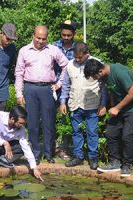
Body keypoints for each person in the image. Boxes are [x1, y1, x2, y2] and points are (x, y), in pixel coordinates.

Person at [14, 25, 69, 164]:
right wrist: (19, 94)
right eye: (38, 38)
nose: (40, 41)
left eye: (43, 39)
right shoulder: (24, 51)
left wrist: (59, 84)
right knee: (32, 124)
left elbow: (66, 65)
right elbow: (19, 73)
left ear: (47, 38)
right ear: (33, 35)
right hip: (30, 88)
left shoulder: (53, 50)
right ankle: (35, 155)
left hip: (47, 89)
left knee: (48, 123)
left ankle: (49, 154)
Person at [84, 59, 133, 177]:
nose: (96, 80)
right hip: (121, 106)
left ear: (100, 71)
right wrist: (113, 107)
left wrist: (117, 108)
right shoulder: (104, 77)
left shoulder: (119, 72)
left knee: (127, 135)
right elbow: (112, 91)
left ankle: (127, 164)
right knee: (111, 133)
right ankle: (115, 162)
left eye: (95, 77)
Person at [59, 42, 107, 170]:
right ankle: (78, 157)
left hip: (92, 105)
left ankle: (93, 158)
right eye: (75, 56)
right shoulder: (70, 65)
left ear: (87, 53)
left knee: (92, 132)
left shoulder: (96, 63)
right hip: (75, 104)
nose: (77, 59)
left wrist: (103, 104)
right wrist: (63, 102)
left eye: (80, 57)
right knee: (76, 132)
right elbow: (65, 85)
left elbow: (103, 86)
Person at [0, 106, 43, 181]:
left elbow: (25, 145)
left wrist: (34, 168)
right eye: (20, 123)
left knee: (28, 145)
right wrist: (4, 142)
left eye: (24, 124)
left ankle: (2, 159)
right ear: (12, 119)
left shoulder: (20, 127)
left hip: (3, 147)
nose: (22, 126)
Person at [53, 20, 78, 160]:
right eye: (63, 35)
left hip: (70, 89)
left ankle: (64, 148)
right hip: (54, 87)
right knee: (51, 117)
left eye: (69, 35)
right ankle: (53, 146)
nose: (66, 38)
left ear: (74, 34)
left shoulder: (78, 48)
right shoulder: (54, 46)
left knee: (66, 119)